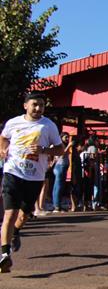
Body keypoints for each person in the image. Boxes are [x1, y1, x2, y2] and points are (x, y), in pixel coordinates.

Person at [0, 92, 64, 272]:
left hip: (35, 176)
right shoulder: (13, 123)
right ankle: (5, 255)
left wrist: (44, 150)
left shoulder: (48, 126)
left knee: (24, 214)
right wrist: (2, 149)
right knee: (9, 214)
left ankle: (17, 232)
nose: (38, 108)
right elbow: (3, 137)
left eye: (41, 105)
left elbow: (60, 149)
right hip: (12, 172)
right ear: (25, 105)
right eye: (35, 104)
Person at [51, 133, 73, 212]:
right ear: (61, 137)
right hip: (60, 166)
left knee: (59, 186)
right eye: (65, 137)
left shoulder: (62, 145)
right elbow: (62, 154)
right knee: (58, 186)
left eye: (68, 137)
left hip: (62, 166)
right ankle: (56, 205)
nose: (67, 139)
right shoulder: (60, 145)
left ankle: (58, 204)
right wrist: (69, 146)